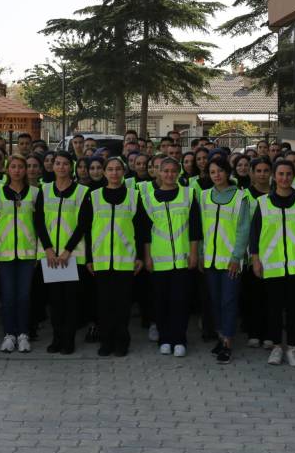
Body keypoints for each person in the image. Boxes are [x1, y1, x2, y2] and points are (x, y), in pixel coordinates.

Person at [250, 159, 295, 368]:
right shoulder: (263, 203)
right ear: (274, 176)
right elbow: (255, 234)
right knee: (274, 309)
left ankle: (293, 348)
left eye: (289, 174)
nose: (284, 178)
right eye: (280, 174)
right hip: (272, 265)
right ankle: (277, 347)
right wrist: (255, 259)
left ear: (294, 177)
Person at [79, 156, 147, 357]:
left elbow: (142, 230)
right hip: (100, 261)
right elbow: (87, 230)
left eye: (118, 169)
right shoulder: (94, 196)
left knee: (122, 305)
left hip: (126, 261)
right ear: (105, 172)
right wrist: (89, 258)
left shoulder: (134, 196)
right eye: (110, 169)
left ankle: (121, 341)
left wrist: (141, 257)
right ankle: (106, 341)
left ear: (124, 172)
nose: (114, 173)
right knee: (104, 304)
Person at [141, 157, 201, 357]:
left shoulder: (189, 194)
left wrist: (194, 253)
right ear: (158, 172)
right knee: (161, 302)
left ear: (179, 173)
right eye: (165, 171)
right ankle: (164, 338)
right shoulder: (148, 198)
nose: (169, 174)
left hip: (183, 260)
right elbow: (145, 233)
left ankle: (180, 339)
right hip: (158, 260)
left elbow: (194, 228)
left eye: (173, 171)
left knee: (180, 302)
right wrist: (147, 256)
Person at [198, 155, 250, 364]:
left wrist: (237, 257)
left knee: (229, 301)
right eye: (212, 172)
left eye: (220, 170)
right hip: (211, 260)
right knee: (216, 301)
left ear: (227, 172)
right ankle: (220, 337)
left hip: (231, 261)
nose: (216, 175)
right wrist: (201, 253)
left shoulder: (240, 197)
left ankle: (227, 342)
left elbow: (243, 230)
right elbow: (201, 229)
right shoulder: (203, 196)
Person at [36, 151, 90, 354]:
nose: (61, 167)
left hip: (72, 256)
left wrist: (67, 251)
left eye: (65, 164)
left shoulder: (81, 192)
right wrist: (49, 249)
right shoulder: (45, 189)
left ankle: (68, 340)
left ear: (71, 166)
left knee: (71, 300)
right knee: (55, 300)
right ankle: (56, 338)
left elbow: (83, 224)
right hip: (51, 256)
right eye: (57, 163)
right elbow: (39, 222)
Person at [0, 154, 39, 353]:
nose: (17, 170)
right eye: (13, 167)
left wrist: (38, 251)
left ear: (26, 170)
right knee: (8, 296)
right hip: (4, 253)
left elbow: (38, 225)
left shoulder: (35, 193)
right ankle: (9, 334)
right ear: (7, 170)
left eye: (21, 167)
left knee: (24, 296)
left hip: (28, 254)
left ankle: (23, 334)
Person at [239, 157, 273, 349]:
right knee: (253, 295)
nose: (262, 174)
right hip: (251, 254)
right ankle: (254, 332)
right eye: (258, 170)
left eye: (265, 170)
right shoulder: (245, 195)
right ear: (251, 173)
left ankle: (269, 334)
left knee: (270, 296)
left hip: (273, 252)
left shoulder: (277, 194)